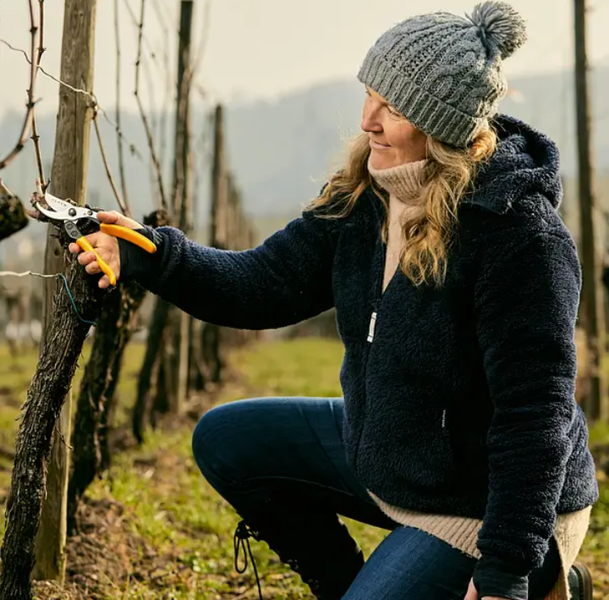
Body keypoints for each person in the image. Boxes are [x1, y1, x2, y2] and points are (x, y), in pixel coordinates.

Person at [69, 2, 598, 599]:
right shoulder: (364, 199)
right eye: (369, 93)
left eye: (392, 107)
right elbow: (259, 285)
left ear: (441, 126)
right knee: (227, 439)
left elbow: (535, 418)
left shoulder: (519, 237)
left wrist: (506, 571)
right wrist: (146, 253)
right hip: (394, 455)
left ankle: (554, 580)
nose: (368, 120)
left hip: (482, 507)